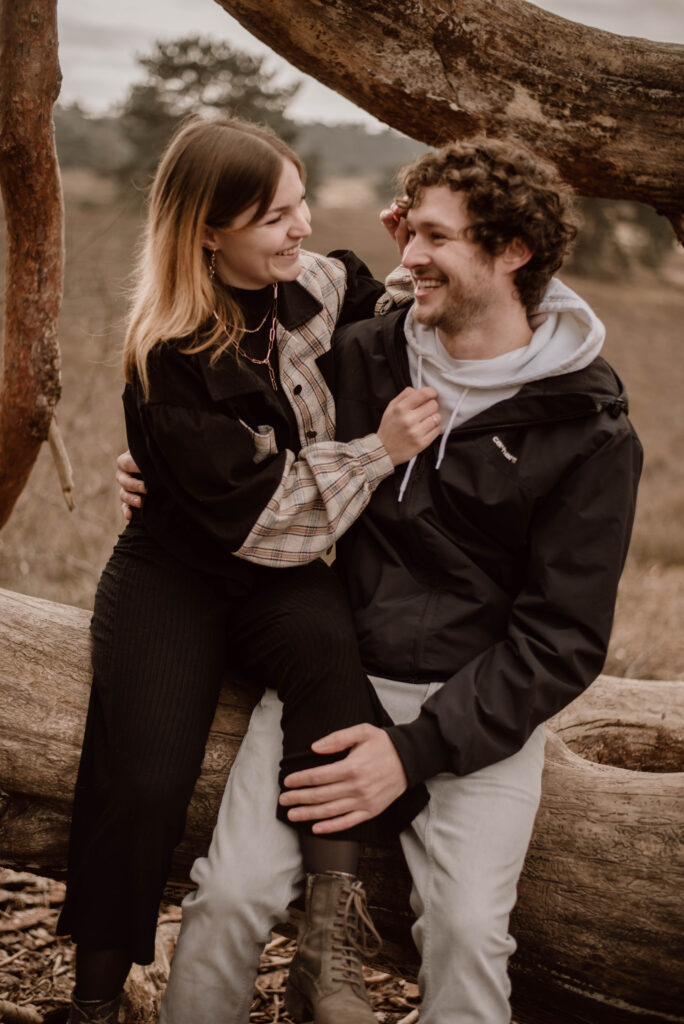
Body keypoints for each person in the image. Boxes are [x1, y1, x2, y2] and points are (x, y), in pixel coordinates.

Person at [120, 135, 642, 1024]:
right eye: (411, 232)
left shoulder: (588, 428)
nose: (408, 255)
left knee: (468, 935)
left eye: (436, 237)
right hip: (334, 680)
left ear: (512, 252)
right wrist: (160, 471)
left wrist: (412, 753)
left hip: (477, 710)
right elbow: (243, 437)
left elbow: (563, 639)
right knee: (230, 898)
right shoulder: (364, 353)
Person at [53, 115, 441, 1024]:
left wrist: (414, 259)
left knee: (332, 666)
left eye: (301, 202)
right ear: (206, 231)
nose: (302, 226)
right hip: (177, 571)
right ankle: (96, 1002)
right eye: (274, 216)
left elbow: (390, 325)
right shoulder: (169, 354)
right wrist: (376, 453)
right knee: (142, 780)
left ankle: (326, 954)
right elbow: (264, 517)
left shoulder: (315, 284)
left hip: (280, 575)